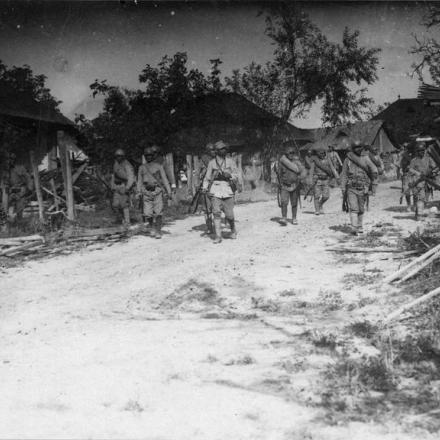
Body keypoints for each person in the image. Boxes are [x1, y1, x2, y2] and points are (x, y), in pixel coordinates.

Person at [202, 140, 239, 243]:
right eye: (221, 149)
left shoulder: (230, 162)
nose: (224, 151)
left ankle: (233, 230)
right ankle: (218, 236)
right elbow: (207, 177)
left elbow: (237, 175)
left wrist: (230, 175)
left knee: (229, 215)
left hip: (228, 189)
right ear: (217, 151)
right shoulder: (211, 163)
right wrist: (205, 188)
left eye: (224, 149)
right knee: (216, 213)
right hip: (215, 190)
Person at [340, 140, 378, 235]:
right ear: (352, 149)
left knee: (361, 209)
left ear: (362, 148)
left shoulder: (366, 158)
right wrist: (343, 187)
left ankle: (360, 226)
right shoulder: (348, 159)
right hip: (351, 188)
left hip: (363, 188)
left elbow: (374, 171)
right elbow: (344, 174)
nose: (357, 149)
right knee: (353, 208)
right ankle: (354, 227)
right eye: (355, 148)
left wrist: (373, 186)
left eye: (359, 147)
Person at [137, 145, 172, 238]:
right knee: (147, 213)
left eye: (150, 155)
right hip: (146, 192)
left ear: (153, 156)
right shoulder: (142, 167)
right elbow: (139, 180)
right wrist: (138, 191)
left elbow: (164, 179)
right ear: (144, 156)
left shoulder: (158, 166)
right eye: (146, 155)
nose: (148, 157)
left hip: (157, 191)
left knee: (158, 212)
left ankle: (158, 230)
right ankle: (152, 227)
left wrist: (169, 191)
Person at [276, 142, 306, 225]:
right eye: (290, 153)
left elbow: (303, 172)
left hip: (295, 186)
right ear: (286, 153)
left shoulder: (297, 162)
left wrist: (300, 178)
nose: (291, 154)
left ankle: (294, 218)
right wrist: (279, 184)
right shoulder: (282, 163)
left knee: (294, 203)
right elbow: (279, 174)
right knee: (284, 202)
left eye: (293, 153)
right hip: (284, 186)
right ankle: (284, 218)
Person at [408, 142, 437, 220]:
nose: (421, 152)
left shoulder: (428, 158)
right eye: (419, 150)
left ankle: (417, 213)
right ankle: (419, 216)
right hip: (418, 181)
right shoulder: (414, 160)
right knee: (421, 198)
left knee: (425, 200)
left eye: (422, 150)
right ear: (417, 151)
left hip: (427, 182)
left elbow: (434, 167)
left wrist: (432, 172)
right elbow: (410, 169)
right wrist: (418, 174)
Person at [309, 146, 338, 215]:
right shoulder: (315, 161)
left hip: (325, 180)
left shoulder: (328, 160)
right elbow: (311, 171)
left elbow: (332, 168)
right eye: (320, 153)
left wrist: (337, 177)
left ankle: (320, 204)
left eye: (323, 153)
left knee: (326, 196)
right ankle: (317, 210)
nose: (322, 154)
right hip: (317, 180)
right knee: (317, 195)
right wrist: (310, 180)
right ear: (317, 154)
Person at [111, 149, 136, 227]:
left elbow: (131, 177)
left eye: (120, 156)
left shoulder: (127, 164)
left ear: (123, 157)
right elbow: (113, 175)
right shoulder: (116, 164)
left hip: (124, 186)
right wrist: (112, 186)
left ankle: (127, 222)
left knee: (124, 205)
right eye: (117, 156)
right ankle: (122, 220)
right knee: (115, 205)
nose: (118, 157)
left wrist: (128, 188)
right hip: (117, 186)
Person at [6, 152, 34, 219]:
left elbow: (28, 177)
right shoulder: (5, 170)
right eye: (9, 159)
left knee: (19, 207)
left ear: (14, 160)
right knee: (5, 205)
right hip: (10, 190)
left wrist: (30, 188)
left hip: (20, 190)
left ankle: (19, 221)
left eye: (12, 159)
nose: (10, 161)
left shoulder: (20, 168)